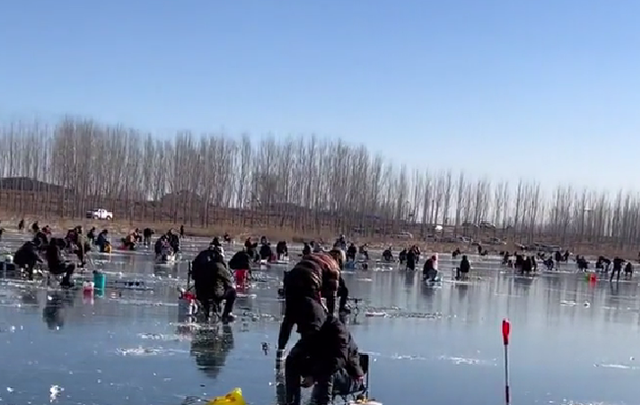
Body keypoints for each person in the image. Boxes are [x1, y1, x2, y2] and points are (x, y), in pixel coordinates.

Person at [191, 247, 236, 322]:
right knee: (232, 292)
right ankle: (226, 314)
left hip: (200, 293)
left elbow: (194, 276)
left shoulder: (203, 265)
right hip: (215, 294)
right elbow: (228, 281)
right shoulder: (219, 266)